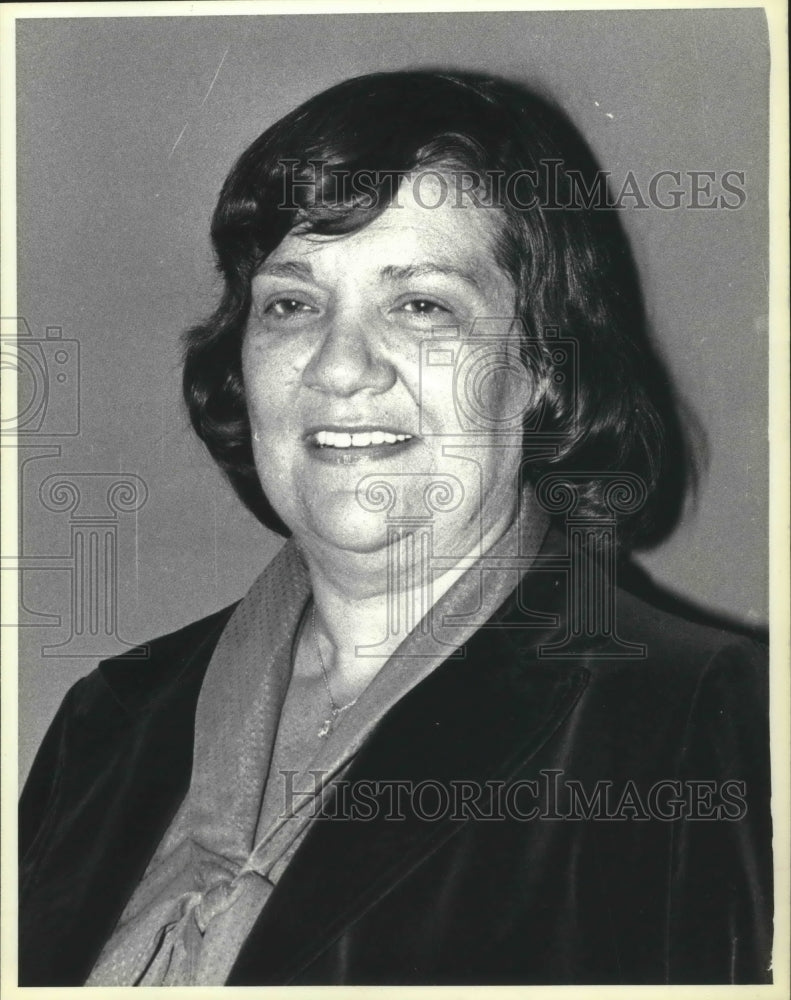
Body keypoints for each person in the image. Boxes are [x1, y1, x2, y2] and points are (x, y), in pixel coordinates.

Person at [19, 70, 771, 986]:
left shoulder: (703, 721)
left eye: (420, 305)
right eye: (291, 303)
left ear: (541, 367)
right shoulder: (109, 720)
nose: (339, 367)